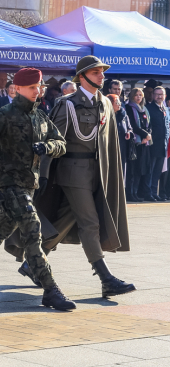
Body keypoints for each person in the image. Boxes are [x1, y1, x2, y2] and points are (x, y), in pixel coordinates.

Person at [22, 56, 134, 299]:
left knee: (68, 218)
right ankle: (106, 278)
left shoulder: (104, 103)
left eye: (102, 72)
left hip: (97, 172)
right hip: (73, 172)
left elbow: (107, 141)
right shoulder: (67, 104)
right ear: (82, 76)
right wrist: (41, 175)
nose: (101, 76)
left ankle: (32, 263)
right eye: (95, 72)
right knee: (90, 223)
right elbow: (55, 139)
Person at [0, 67, 75, 311]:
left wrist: (47, 146)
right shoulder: (5, 114)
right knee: (33, 230)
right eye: (31, 88)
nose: (37, 91)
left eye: (39, 87)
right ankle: (50, 289)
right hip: (9, 185)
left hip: (30, 186)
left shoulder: (40, 115)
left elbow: (61, 143)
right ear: (17, 88)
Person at [125, 87, 152, 201]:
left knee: (140, 169)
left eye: (140, 95)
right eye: (136, 95)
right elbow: (133, 126)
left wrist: (147, 136)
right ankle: (130, 193)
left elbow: (149, 125)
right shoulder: (128, 108)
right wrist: (145, 135)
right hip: (134, 143)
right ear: (131, 96)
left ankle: (136, 193)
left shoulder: (144, 109)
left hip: (144, 143)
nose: (138, 97)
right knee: (133, 170)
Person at [146, 86, 168, 201]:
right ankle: (148, 192)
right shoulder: (149, 108)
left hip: (162, 145)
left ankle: (154, 192)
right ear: (153, 95)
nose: (159, 96)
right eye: (157, 94)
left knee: (158, 171)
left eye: (161, 94)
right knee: (150, 170)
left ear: (165, 96)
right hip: (152, 144)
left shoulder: (164, 109)